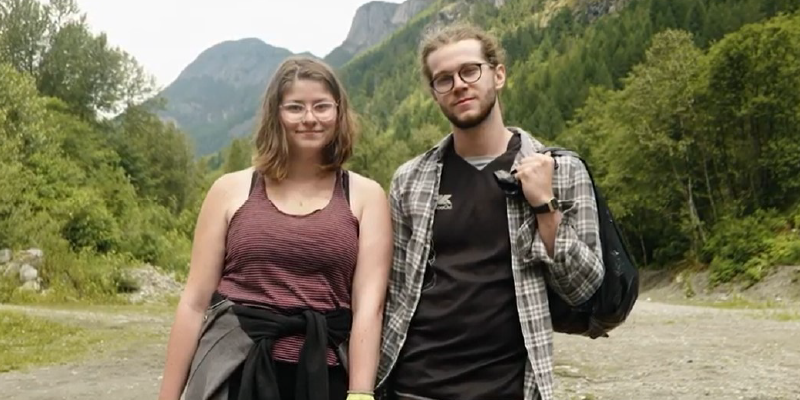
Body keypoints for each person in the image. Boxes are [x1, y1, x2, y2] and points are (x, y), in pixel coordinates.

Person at [376, 23, 605, 400]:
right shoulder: (410, 180)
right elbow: (395, 292)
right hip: (416, 385)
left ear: (498, 75)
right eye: (444, 79)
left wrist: (545, 206)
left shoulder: (560, 171)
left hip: (509, 387)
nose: (459, 85)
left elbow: (584, 287)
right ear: (434, 94)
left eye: (470, 70)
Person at [157, 56, 392, 400]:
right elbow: (194, 302)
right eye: (295, 107)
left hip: (325, 378)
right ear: (276, 114)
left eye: (322, 106)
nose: (310, 118)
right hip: (233, 372)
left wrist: (360, 393)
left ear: (339, 113)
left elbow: (369, 306)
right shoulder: (229, 190)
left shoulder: (366, 196)